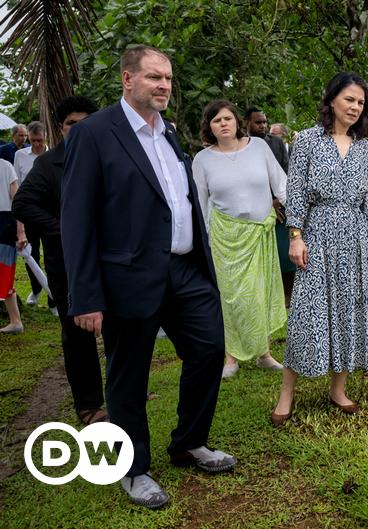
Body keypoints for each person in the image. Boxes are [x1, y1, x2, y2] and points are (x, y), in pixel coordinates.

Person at [60, 45, 234, 510]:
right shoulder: (95, 134)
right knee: (128, 375)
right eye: (155, 77)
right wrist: (85, 295)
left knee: (209, 349)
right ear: (127, 79)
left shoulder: (169, 132)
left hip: (184, 267)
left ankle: (189, 442)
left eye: (169, 79)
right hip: (128, 277)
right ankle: (134, 469)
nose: (164, 85)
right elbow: (76, 219)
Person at [271, 72, 368, 425]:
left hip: (356, 237)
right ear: (332, 99)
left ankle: (338, 389)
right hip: (317, 233)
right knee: (307, 312)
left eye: (360, 102)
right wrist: (296, 236)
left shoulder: (364, 148)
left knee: (350, 309)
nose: (355, 107)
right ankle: (287, 392)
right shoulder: (307, 142)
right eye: (349, 99)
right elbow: (297, 191)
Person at [11, 96, 106, 421]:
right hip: (68, 262)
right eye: (71, 125)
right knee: (78, 333)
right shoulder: (50, 164)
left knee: (121, 326)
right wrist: (64, 230)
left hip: (110, 257)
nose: (79, 131)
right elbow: (23, 204)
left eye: (86, 124)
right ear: (61, 128)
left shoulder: (108, 157)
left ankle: (123, 394)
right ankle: (89, 404)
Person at [193, 100, 287, 378]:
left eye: (227, 118)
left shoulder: (259, 148)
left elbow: (281, 184)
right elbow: (200, 203)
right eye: (216, 120)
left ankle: (264, 354)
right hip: (225, 238)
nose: (222, 124)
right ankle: (230, 358)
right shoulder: (203, 160)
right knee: (232, 297)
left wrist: (299, 217)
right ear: (209, 126)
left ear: (236, 121)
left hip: (260, 234)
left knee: (260, 292)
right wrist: (204, 241)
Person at [245, 107, 296, 306]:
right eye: (258, 122)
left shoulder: (275, 142)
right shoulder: (242, 145)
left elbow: (285, 170)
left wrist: (277, 201)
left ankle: (287, 299)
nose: (263, 126)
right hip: (255, 208)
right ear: (246, 123)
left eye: (265, 122)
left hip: (280, 206)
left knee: (285, 255)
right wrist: (267, 202)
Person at [13, 121, 53, 312]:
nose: (37, 144)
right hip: (29, 211)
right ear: (28, 137)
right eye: (33, 140)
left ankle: (55, 297)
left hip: (50, 211)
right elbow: (17, 187)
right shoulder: (20, 156)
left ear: (45, 137)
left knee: (53, 254)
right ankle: (36, 289)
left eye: (40, 140)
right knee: (31, 253)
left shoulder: (53, 154)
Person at [0, 158, 26, 334]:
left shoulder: (5, 166)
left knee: (5, 274)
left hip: (4, 224)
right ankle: (15, 321)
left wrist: (21, 230)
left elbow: (17, 201)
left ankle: (16, 321)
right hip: (5, 224)